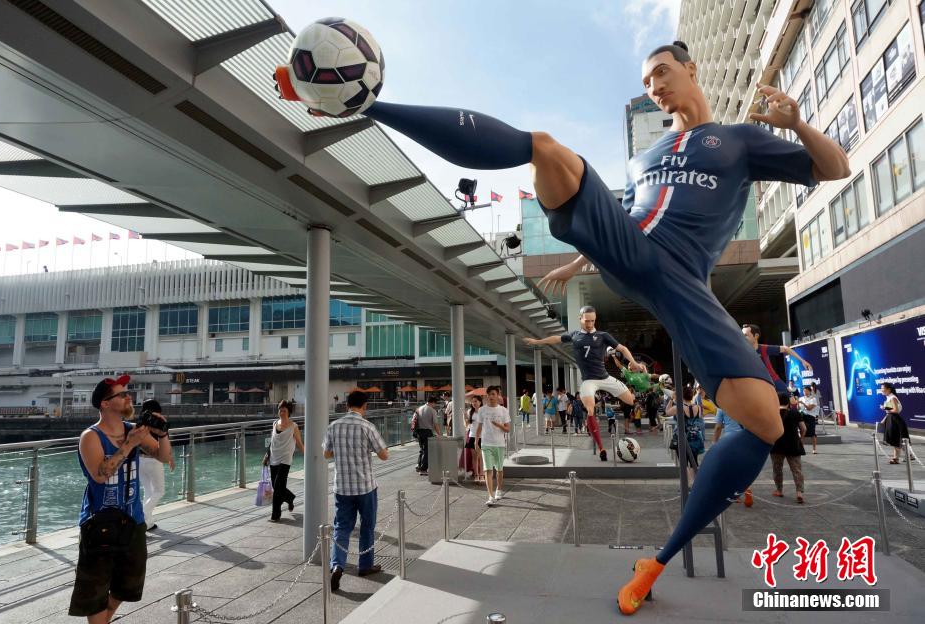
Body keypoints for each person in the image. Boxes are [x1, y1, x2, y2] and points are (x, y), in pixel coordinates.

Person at [349, 37, 849, 614]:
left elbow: (835, 167)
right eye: (645, 82)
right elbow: (630, 219)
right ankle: (369, 106)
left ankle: (657, 562)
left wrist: (799, 123)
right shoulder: (646, 156)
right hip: (635, 251)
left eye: (661, 73)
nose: (654, 86)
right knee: (545, 149)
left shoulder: (739, 139)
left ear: (690, 70)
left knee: (764, 422)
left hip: (683, 281)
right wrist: (577, 259)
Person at [69, 375, 172, 623]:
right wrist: (129, 445)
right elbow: (101, 475)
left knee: (128, 585)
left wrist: (163, 433)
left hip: (132, 521)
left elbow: (162, 456)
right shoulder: (90, 437)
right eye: (122, 394)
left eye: (128, 392)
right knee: (95, 591)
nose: (129, 397)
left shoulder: (131, 430)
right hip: (100, 524)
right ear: (105, 403)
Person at [524, 306, 639, 461]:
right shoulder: (575, 335)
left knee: (631, 400)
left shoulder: (603, 335)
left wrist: (634, 363)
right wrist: (538, 341)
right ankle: (601, 448)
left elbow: (623, 348)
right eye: (587, 321)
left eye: (592, 320)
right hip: (589, 381)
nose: (590, 324)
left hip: (605, 378)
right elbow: (556, 338)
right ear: (580, 319)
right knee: (590, 410)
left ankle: (622, 390)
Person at [324, 390, 389, 590]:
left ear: (347, 405)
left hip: (342, 487)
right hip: (365, 486)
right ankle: (365, 565)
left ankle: (337, 566)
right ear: (364, 406)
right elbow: (384, 455)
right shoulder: (367, 427)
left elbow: (326, 454)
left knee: (341, 528)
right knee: (367, 526)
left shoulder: (333, 426)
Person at [741, 324, 813, 394]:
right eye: (742, 335)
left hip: (773, 380)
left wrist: (803, 361)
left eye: (746, 335)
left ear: (756, 336)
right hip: (756, 383)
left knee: (790, 399)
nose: (743, 338)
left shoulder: (764, 349)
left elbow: (786, 349)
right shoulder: (743, 352)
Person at [266, 399, 305, 522]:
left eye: (284, 410)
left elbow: (299, 443)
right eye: (280, 410)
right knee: (276, 486)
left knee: (278, 486)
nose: (281, 412)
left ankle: (275, 515)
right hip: (273, 458)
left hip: (285, 459)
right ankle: (290, 498)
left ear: (289, 412)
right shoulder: (274, 423)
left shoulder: (293, 426)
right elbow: (272, 442)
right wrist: (266, 455)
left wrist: (307, 455)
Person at [138, 399, 175, 531]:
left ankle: (148, 523)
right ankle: (141, 517)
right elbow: (164, 440)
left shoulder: (141, 421)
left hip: (140, 460)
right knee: (159, 491)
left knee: (148, 490)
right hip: (154, 460)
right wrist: (170, 458)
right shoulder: (158, 421)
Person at [476, 386, 511, 506]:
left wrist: (499, 425)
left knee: (499, 470)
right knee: (488, 469)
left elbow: (507, 429)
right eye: (488, 395)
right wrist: (476, 442)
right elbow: (479, 427)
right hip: (486, 443)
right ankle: (490, 496)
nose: (490, 397)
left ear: (497, 395)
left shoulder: (503, 410)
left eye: (493, 394)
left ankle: (499, 489)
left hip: (499, 444)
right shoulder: (482, 410)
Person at [771, 393, 806, 503]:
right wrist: (801, 439)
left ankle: (779, 490)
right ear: (788, 402)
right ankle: (799, 492)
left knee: (777, 469)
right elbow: (803, 428)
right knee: (797, 470)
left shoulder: (773, 413)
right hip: (793, 444)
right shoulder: (795, 413)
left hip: (777, 445)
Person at [712, 407, 752, 506]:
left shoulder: (721, 408)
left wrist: (714, 442)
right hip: (745, 439)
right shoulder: (744, 405)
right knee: (744, 468)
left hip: (730, 441)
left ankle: (735, 495)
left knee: (731, 469)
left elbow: (718, 427)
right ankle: (748, 491)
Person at [665, 385, 705, 480]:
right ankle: (694, 483)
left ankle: (687, 484)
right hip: (695, 437)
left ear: (681, 396)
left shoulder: (679, 407)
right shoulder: (698, 407)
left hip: (682, 437)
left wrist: (672, 398)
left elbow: (667, 412)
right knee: (693, 461)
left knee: (683, 463)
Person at [880, 382, 912, 464]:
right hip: (892, 419)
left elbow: (896, 410)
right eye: (881, 388)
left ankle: (896, 458)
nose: (882, 390)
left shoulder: (892, 398)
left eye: (883, 388)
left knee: (897, 439)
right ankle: (909, 455)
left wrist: (884, 408)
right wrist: (884, 420)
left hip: (896, 421)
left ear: (889, 389)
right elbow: (889, 412)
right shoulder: (888, 397)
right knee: (898, 439)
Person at [413, 397, 440, 475]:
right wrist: (439, 433)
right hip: (427, 432)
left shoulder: (419, 408)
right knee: (427, 451)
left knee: (422, 449)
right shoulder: (432, 410)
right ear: (433, 402)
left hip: (418, 432)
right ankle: (423, 469)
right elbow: (435, 424)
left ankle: (419, 465)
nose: (435, 405)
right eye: (435, 404)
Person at [465, 395, 484, 483]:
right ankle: (476, 475)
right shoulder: (470, 412)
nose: (474, 403)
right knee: (474, 457)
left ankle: (482, 474)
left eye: (476, 401)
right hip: (472, 436)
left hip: (482, 436)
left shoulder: (483, 411)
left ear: (480, 402)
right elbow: (466, 425)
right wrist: (465, 418)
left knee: (481, 457)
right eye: (473, 402)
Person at [798, 385, 820, 454]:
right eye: (804, 391)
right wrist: (798, 405)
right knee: (802, 432)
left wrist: (803, 404)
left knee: (812, 433)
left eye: (806, 391)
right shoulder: (800, 398)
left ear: (810, 391)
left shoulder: (813, 399)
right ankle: (801, 448)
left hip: (810, 417)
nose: (805, 392)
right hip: (802, 417)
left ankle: (814, 449)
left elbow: (809, 408)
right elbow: (798, 408)